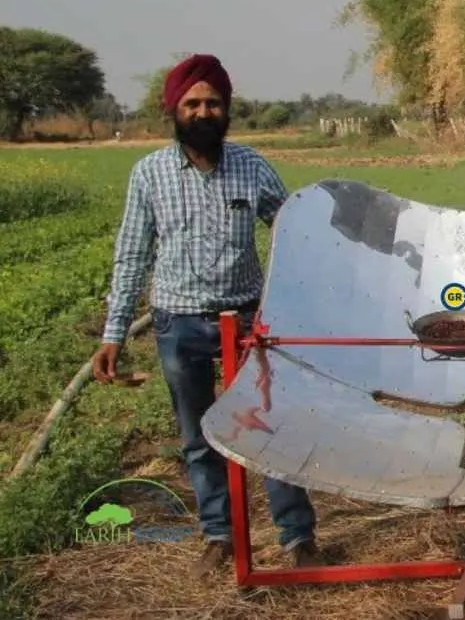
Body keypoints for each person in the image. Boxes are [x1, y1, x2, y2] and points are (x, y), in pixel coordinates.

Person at [91, 53, 323, 577]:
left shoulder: (253, 167)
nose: (202, 112)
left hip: (245, 324)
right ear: (173, 109)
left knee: (268, 427)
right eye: (192, 103)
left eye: (212, 103)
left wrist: (300, 308)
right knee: (198, 436)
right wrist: (114, 334)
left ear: (227, 110)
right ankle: (218, 536)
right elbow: (132, 256)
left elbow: (292, 237)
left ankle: (298, 537)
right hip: (179, 325)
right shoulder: (149, 175)